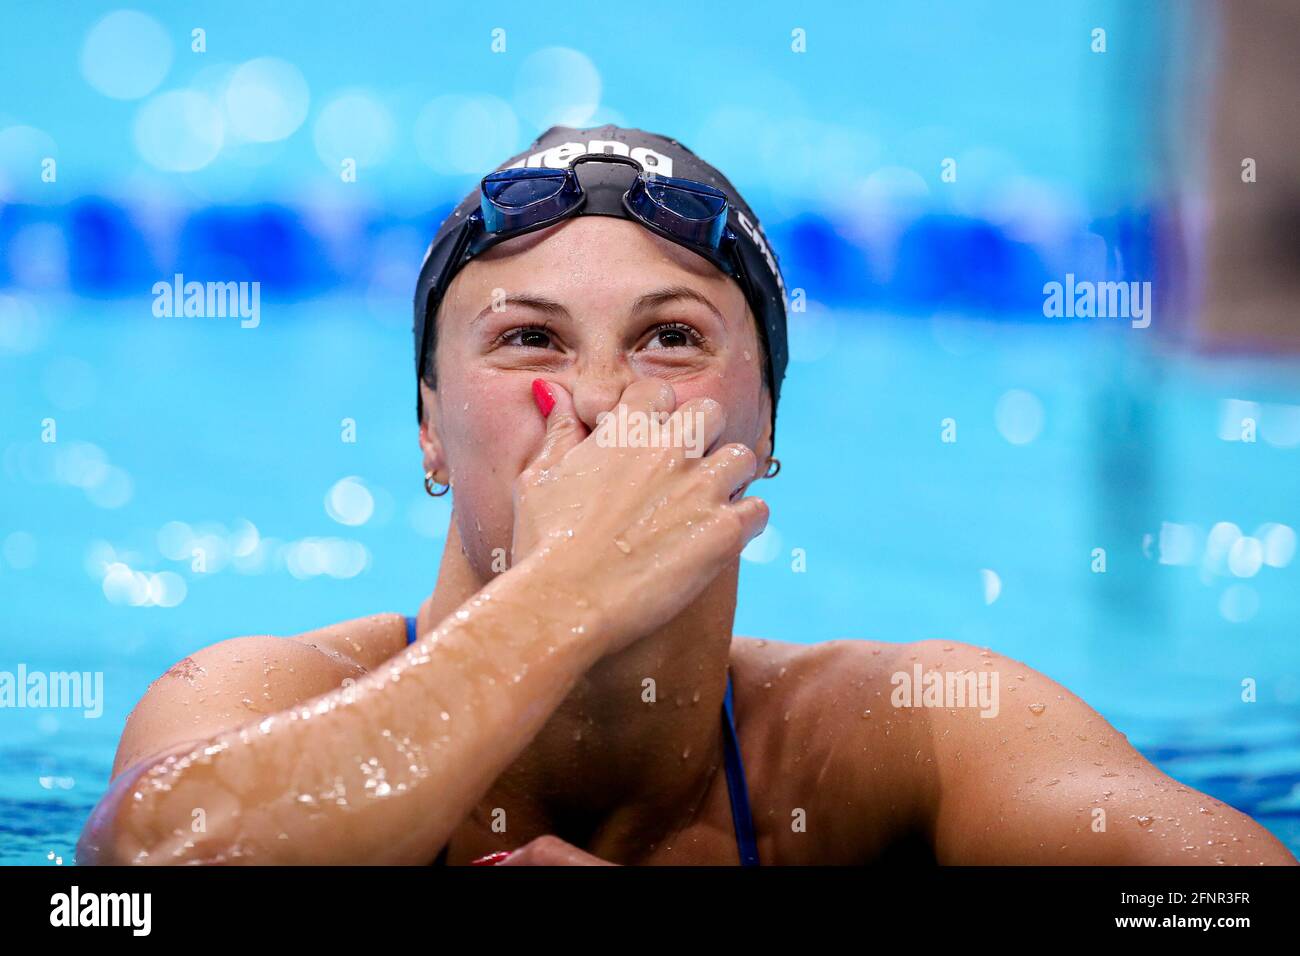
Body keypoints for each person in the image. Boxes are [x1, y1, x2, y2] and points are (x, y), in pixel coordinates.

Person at [78, 125, 1296, 866]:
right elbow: (140, 883)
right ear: (427, 427)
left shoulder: (900, 740)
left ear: (762, 429)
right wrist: (562, 597)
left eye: (668, 338)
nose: (601, 399)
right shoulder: (257, 693)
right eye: (526, 341)